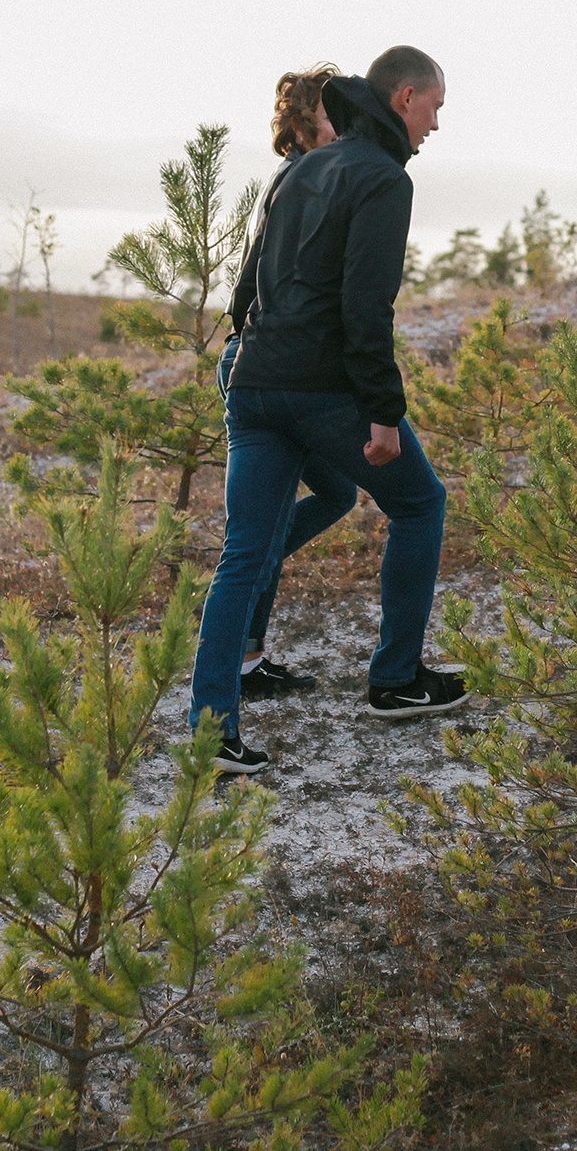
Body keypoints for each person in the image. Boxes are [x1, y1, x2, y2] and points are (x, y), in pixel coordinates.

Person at [193, 45, 461, 773]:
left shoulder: (297, 171)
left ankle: (210, 733)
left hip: (253, 383)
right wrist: (383, 413)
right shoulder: (383, 178)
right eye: (435, 106)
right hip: (321, 390)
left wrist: (252, 362)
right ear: (405, 98)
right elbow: (365, 308)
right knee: (420, 503)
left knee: (244, 554)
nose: (437, 123)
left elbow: (248, 289)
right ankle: (396, 680)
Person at [216, 64, 359, 702]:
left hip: (267, 360)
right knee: (261, 535)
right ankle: (243, 652)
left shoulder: (306, 176)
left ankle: (248, 631)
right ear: (301, 125)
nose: (345, 128)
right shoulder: (300, 180)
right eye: (332, 116)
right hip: (267, 364)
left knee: (336, 493)